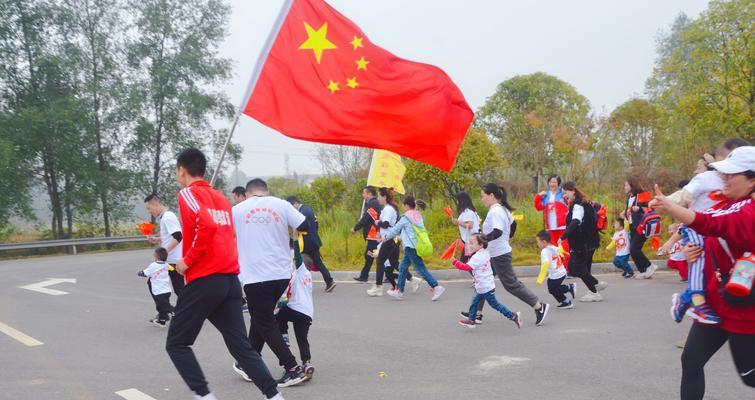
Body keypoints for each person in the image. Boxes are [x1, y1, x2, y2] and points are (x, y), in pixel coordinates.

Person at [166, 148, 282, 400]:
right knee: (241, 347)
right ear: (205, 170)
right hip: (229, 280)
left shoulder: (188, 193)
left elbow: (205, 226)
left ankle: (205, 396)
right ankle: (274, 396)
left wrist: (187, 260)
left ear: (181, 170)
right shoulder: (220, 198)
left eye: (177, 172)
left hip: (204, 279)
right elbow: (226, 235)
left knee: (176, 343)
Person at [650, 145, 755, 400]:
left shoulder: (749, 211)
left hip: (744, 306)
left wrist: (671, 208)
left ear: (752, 179)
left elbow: (712, 224)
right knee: (691, 360)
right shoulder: (728, 203)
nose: (724, 178)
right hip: (716, 301)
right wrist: (689, 247)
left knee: (750, 376)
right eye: (723, 173)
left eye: (732, 174)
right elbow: (702, 226)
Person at [232, 178, 310, 387]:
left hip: (255, 275)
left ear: (247, 193)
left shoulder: (237, 210)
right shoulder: (281, 204)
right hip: (281, 274)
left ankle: (292, 368)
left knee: (265, 322)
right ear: (266, 191)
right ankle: (248, 362)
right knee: (261, 318)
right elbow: (305, 224)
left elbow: (222, 234)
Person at [664, 139, 749, 324]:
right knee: (698, 258)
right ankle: (697, 301)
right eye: (724, 167)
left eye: (733, 169)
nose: (726, 175)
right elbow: (686, 198)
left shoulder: (743, 202)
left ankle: (687, 299)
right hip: (700, 229)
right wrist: (667, 204)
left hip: (732, 291)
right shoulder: (709, 180)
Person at [478, 183, 550, 326]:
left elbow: (498, 231)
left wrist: (483, 239)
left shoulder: (496, 211)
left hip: (499, 255)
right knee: (482, 281)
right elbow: (513, 224)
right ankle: (476, 314)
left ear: (491, 196)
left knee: (511, 285)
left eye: (483, 196)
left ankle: (539, 306)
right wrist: (507, 236)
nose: (482, 199)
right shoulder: (503, 210)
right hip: (494, 253)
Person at [382, 196, 445, 301]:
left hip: (411, 247)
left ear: (406, 205)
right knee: (402, 267)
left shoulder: (406, 217)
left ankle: (436, 286)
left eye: (403, 205)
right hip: (415, 245)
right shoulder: (417, 215)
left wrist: (385, 237)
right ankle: (399, 291)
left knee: (420, 269)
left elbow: (395, 229)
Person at [452, 234, 521, 329]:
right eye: (469, 243)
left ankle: (513, 316)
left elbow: (467, 267)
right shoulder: (485, 252)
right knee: (474, 302)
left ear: (480, 245)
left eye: (472, 243)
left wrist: (455, 262)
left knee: (495, 305)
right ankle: (472, 320)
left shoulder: (478, 257)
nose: (469, 245)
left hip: (485, 287)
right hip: (483, 285)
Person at [560, 181, 608, 302]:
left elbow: (575, 222)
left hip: (583, 243)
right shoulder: (582, 202)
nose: (564, 195)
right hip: (590, 241)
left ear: (572, 191)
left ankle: (594, 291)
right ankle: (595, 285)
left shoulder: (578, 205)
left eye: (566, 193)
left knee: (576, 268)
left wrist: (563, 237)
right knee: (583, 268)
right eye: (563, 193)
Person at [367, 188, 418, 297]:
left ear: (384, 197)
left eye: (379, 196)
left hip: (390, 239)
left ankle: (378, 287)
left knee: (380, 261)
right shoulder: (388, 208)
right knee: (394, 263)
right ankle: (412, 279)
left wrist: (377, 222)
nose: (378, 199)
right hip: (393, 239)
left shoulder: (388, 209)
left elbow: (386, 224)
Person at [277, 249, 316, 382]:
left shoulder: (300, 272)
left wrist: (295, 238)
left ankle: (284, 338)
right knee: (302, 339)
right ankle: (306, 363)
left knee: (279, 315)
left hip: (296, 310)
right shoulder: (308, 277)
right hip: (307, 313)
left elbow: (284, 299)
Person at [286, 196, 336, 293]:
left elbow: (302, 227)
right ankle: (327, 281)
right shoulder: (306, 209)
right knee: (312, 262)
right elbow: (316, 224)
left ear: (295, 203)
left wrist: (295, 229)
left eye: (292, 207)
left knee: (306, 263)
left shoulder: (303, 211)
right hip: (311, 241)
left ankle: (326, 281)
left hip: (308, 243)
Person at [144, 193, 184, 296]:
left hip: (174, 261)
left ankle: (170, 310)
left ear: (155, 204)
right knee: (177, 289)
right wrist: (157, 239)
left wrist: (163, 252)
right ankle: (168, 310)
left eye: (149, 208)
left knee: (179, 289)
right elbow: (170, 237)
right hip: (170, 260)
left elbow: (178, 236)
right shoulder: (164, 217)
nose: (149, 212)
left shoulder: (168, 217)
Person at [621, 176, 658, 279]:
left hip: (642, 226)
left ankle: (649, 266)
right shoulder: (629, 198)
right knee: (634, 249)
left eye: (626, 185)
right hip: (633, 226)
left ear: (632, 185)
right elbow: (629, 210)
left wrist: (640, 208)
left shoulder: (642, 195)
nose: (625, 187)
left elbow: (650, 208)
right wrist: (624, 213)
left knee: (634, 249)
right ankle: (643, 271)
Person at [533, 175, 571, 268]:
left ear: (558, 183)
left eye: (554, 182)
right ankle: (556, 268)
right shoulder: (546, 195)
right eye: (551, 182)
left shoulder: (562, 194)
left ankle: (566, 269)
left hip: (562, 226)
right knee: (553, 249)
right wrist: (538, 196)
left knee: (564, 248)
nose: (552, 184)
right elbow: (538, 207)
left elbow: (571, 202)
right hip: (550, 227)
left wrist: (567, 195)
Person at [535, 230, 575, 309]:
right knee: (553, 289)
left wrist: (540, 278)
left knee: (552, 289)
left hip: (556, 275)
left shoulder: (545, 251)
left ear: (543, 242)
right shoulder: (552, 247)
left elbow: (545, 264)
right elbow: (561, 253)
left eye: (538, 242)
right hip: (561, 272)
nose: (537, 244)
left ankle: (569, 292)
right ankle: (567, 297)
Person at [351, 186, 382, 282]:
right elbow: (367, 217)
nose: (363, 195)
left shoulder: (373, 203)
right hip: (373, 234)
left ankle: (365, 276)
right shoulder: (371, 203)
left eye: (364, 193)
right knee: (371, 255)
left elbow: (366, 218)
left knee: (371, 255)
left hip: (374, 234)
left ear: (369, 193)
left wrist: (355, 228)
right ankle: (364, 276)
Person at [138, 247, 174, 327]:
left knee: (163, 306)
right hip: (167, 290)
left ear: (156, 257)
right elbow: (171, 269)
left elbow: (145, 273)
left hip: (159, 291)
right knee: (162, 306)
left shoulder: (154, 265)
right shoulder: (166, 264)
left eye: (153, 256)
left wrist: (139, 272)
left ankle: (177, 313)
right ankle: (162, 320)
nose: (152, 257)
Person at [451, 191, 481, 263]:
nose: (457, 202)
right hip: (469, 241)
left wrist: (458, 222)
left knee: (467, 262)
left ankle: (481, 273)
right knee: (469, 262)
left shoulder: (468, 212)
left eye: (457, 200)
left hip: (471, 241)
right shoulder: (468, 211)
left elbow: (470, 225)